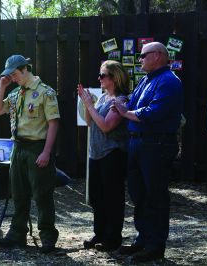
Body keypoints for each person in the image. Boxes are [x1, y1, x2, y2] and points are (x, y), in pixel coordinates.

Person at [113, 42, 183, 262]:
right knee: (138, 195)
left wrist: (124, 112)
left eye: (144, 55)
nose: (140, 59)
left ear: (159, 56)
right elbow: (132, 102)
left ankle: (155, 246)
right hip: (137, 144)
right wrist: (121, 102)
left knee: (155, 196)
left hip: (157, 145)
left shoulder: (170, 81)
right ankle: (143, 239)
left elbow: (152, 113)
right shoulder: (146, 79)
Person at [0, 55, 60, 254]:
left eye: (14, 74)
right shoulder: (15, 94)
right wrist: (2, 87)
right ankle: (17, 234)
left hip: (37, 148)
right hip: (18, 148)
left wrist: (47, 152)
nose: (12, 78)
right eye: (9, 75)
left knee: (42, 195)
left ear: (24, 69)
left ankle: (47, 237)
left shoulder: (45, 92)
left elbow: (53, 123)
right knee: (18, 194)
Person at [78, 60, 129, 252]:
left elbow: (107, 126)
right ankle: (99, 233)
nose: (99, 78)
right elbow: (91, 123)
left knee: (112, 198)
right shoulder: (103, 99)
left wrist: (90, 105)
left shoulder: (121, 101)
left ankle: (113, 237)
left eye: (102, 75)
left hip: (112, 154)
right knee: (97, 197)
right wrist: (86, 103)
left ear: (114, 77)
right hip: (97, 154)